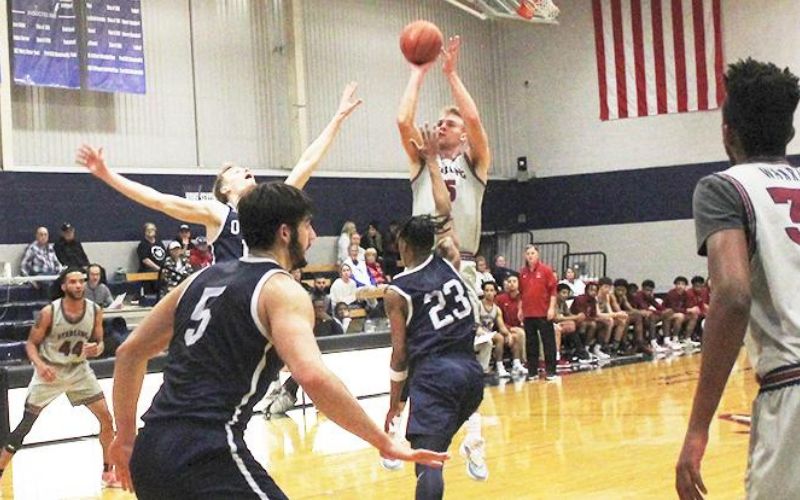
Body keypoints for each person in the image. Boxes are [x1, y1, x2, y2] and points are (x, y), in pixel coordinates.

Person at [108, 182, 446, 498]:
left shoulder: (199, 279)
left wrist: (124, 437)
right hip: (205, 452)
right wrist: (382, 441)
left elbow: (129, 352)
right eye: (307, 226)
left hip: (151, 450)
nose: (313, 236)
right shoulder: (281, 289)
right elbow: (312, 376)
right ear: (285, 233)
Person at [676, 59, 800, 500]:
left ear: (728, 133)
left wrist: (697, 427)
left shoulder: (724, 188)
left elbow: (732, 296)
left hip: (791, 386)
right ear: (789, 132)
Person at [77, 83, 363, 264]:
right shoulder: (218, 213)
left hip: (267, 289)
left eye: (246, 169)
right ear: (224, 189)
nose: (247, 171)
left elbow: (307, 162)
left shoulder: (270, 207)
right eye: (237, 172)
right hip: (230, 295)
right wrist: (107, 174)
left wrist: (337, 119)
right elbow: (159, 200)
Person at [382, 126, 487, 497]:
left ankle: (429, 444)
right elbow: (444, 209)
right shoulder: (449, 258)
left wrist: (395, 405)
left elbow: (400, 356)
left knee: (428, 462)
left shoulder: (397, 290)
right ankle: (473, 442)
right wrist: (431, 163)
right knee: (434, 451)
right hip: (471, 375)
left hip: (435, 376)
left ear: (403, 245)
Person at [0, 268, 118, 487]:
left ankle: (107, 472)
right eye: (73, 281)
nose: (78, 285)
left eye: (81, 281)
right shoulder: (49, 312)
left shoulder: (95, 311)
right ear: (63, 286)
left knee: (107, 419)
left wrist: (97, 348)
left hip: (79, 370)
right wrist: (40, 365)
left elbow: (100, 342)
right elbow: (31, 344)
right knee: (25, 426)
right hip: (50, 371)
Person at [398, 35, 490, 287]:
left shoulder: (474, 162)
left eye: (450, 124)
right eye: (439, 123)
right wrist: (417, 73)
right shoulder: (423, 158)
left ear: (463, 135)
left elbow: (473, 120)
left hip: (462, 260)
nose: (441, 127)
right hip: (422, 259)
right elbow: (404, 121)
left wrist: (451, 74)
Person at [519, 245, 558, 380]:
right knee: (531, 343)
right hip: (528, 313)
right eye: (528, 253)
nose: (530, 256)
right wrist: (520, 309)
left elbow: (553, 291)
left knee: (548, 342)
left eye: (533, 253)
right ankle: (532, 371)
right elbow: (522, 293)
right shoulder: (522, 272)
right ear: (525, 256)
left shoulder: (546, 270)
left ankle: (551, 371)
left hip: (543, 312)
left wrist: (551, 308)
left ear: (538, 255)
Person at [479, 281, 526, 378]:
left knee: (514, 336)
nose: (489, 293)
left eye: (491, 290)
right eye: (486, 290)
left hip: (489, 334)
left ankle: (516, 364)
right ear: (483, 292)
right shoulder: (478, 305)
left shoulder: (496, 309)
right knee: (499, 338)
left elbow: (501, 326)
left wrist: (508, 334)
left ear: (495, 292)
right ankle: (499, 366)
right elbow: (475, 323)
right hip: (477, 333)